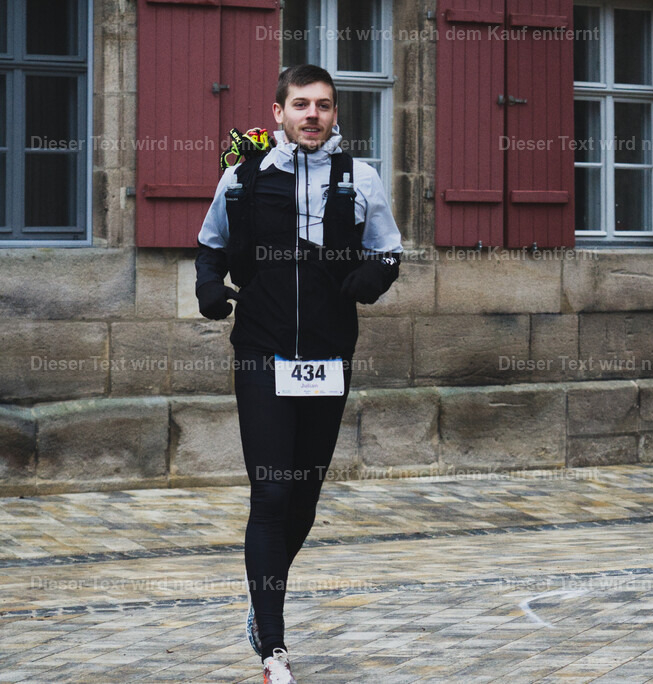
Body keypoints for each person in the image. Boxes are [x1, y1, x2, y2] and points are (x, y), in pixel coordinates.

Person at [195, 64, 402, 683]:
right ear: (280, 113)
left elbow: (387, 249)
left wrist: (372, 278)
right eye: (302, 105)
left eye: (325, 106)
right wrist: (209, 287)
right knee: (273, 492)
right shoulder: (244, 177)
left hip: (326, 356)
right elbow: (209, 243)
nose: (313, 115)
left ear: (336, 116)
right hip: (261, 352)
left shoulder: (358, 178)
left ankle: (263, 601)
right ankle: (273, 647)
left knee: (305, 497)